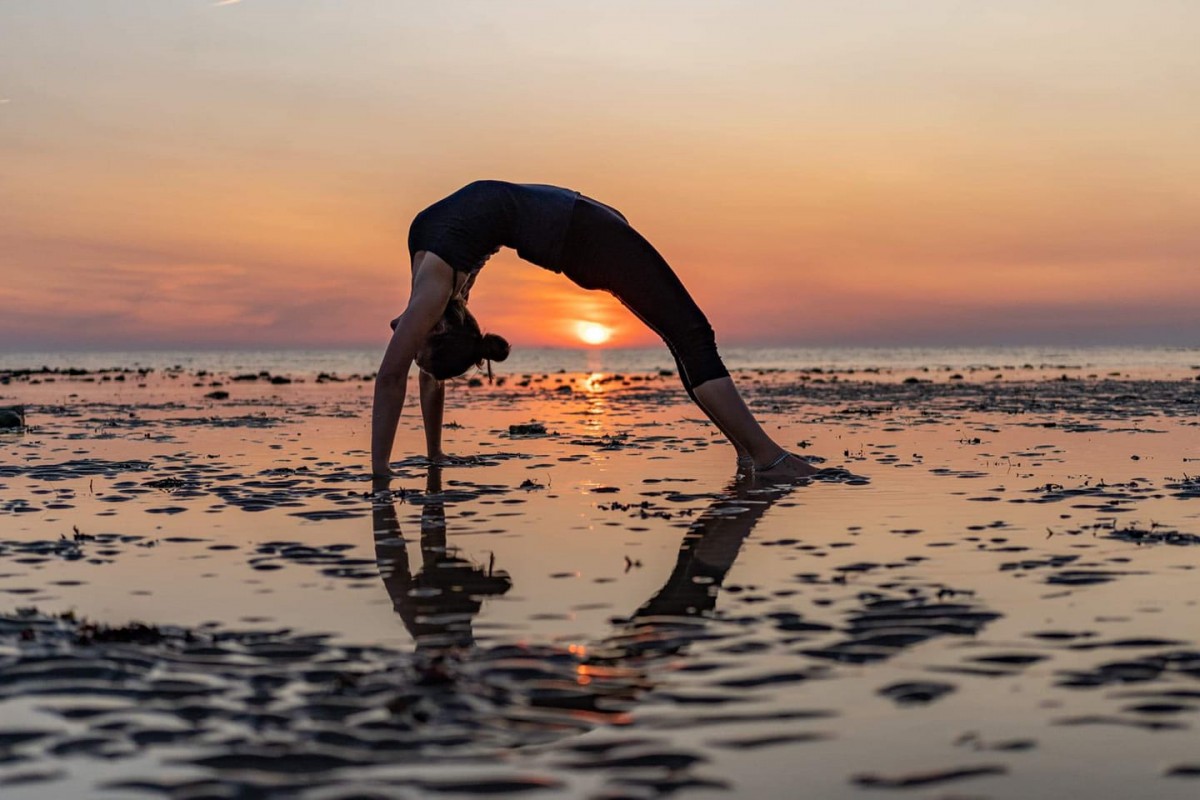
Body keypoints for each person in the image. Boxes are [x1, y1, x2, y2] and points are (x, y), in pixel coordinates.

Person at [371, 180, 818, 480]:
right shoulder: (439, 288)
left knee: (688, 336)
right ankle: (764, 455)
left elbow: (401, 377)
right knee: (690, 334)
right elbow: (419, 378)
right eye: (414, 347)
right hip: (583, 236)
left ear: (436, 326)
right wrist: (423, 461)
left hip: (586, 232)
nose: (403, 340)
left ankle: (751, 453)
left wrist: (384, 472)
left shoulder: (433, 286)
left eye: (413, 346)